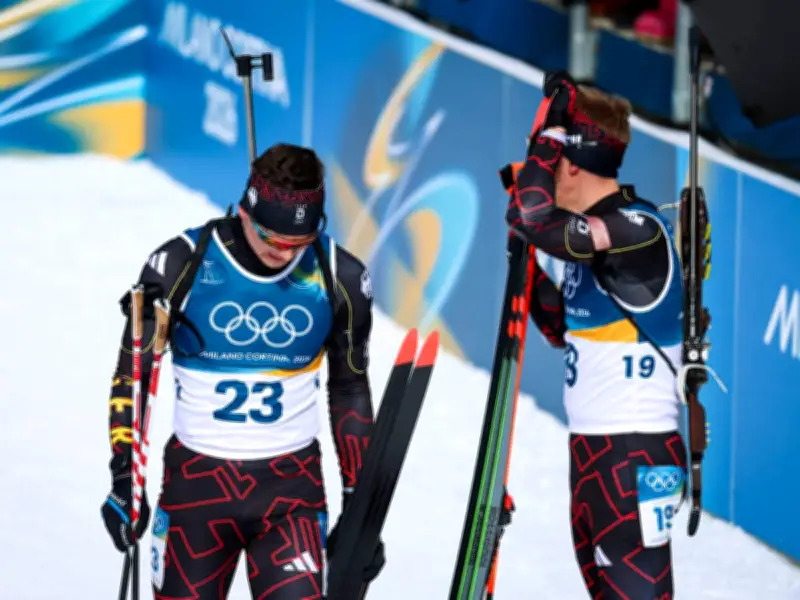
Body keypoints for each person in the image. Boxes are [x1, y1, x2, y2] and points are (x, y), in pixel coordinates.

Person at [101, 143, 385, 599]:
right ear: (245, 211)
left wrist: (359, 505)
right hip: (195, 493)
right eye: (273, 238)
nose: (285, 252)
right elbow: (132, 377)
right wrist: (122, 480)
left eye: (300, 241)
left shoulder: (340, 277)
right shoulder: (182, 263)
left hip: (291, 494)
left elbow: (350, 387)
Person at [503, 73, 687, 598]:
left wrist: (549, 134)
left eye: (551, 160)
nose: (540, 171)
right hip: (592, 453)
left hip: (634, 454)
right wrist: (531, 259)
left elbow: (531, 212)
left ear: (574, 163)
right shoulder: (587, 245)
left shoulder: (636, 228)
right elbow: (557, 329)